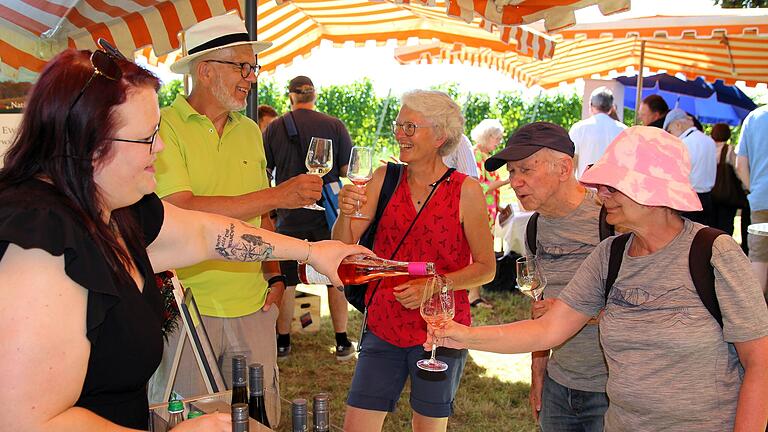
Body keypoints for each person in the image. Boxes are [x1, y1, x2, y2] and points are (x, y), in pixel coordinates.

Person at [0, 47, 366, 432]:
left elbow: (206, 232)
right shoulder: (38, 245)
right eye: (146, 138)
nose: (159, 147)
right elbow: (26, 421)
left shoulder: (118, 209)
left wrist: (311, 252)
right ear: (89, 145)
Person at [429, 126, 768, 431]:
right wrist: (463, 335)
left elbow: (759, 364)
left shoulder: (713, 253)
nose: (600, 194)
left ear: (652, 191)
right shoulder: (610, 255)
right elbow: (547, 328)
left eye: (611, 186)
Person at [153, 14, 322, 425]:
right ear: (206, 69)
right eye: (242, 66)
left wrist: (276, 275)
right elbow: (181, 210)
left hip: (252, 304)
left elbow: (261, 216)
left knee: (259, 418)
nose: (251, 77)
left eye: (254, 67)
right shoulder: (162, 126)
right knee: (193, 421)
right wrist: (281, 194)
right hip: (188, 308)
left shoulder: (249, 130)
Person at [333, 90, 495, 432]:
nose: (400, 134)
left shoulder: (465, 191)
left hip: (441, 331)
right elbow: (342, 244)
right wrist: (345, 213)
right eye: (399, 124)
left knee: (428, 427)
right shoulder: (383, 178)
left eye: (410, 126)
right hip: (384, 325)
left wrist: (435, 285)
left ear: (440, 136)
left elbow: (486, 266)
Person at [484, 122, 608, 431]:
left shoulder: (610, 220)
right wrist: (538, 375)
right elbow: (539, 306)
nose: (515, 182)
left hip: (612, 389)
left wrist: (574, 315)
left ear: (564, 168)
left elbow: (645, 310)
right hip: (558, 385)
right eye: (511, 172)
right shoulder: (534, 228)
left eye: (526, 169)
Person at [263, 75, 355, 361]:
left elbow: (265, 169)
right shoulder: (334, 125)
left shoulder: (275, 127)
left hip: (289, 213)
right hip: (325, 214)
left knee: (288, 278)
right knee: (335, 275)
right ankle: (341, 341)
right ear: (314, 95)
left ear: (291, 96)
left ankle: (283, 342)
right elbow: (344, 169)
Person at [469, 118, 506, 308]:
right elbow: (481, 187)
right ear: (488, 136)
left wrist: (498, 207)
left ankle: (475, 294)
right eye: (497, 139)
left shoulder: (485, 156)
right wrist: (509, 180)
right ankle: (473, 297)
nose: (499, 142)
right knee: (478, 253)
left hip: (488, 212)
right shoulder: (476, 155)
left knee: (483, 253)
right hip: (479, 212)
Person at [664, 108, 716, 225]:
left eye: (670, 132)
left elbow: (676, 175)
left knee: (687, 239)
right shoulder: (709, 141)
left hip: (688, 199)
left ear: (678, 125)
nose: (671, 136)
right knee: (703, 237)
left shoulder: (684, 144)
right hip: (707, 198)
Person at [737, 105, 768, 297]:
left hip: (761, 198)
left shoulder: (754, 117)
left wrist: (753, 189)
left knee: (759, 256)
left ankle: (756, 313)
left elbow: (741, 165)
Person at [569, 86, 627, 179]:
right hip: (612, 190)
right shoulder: (623, 130)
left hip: (585, 188)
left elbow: (572, 164)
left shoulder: (578, 128)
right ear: (611, 108)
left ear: (590, 105)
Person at [710, 123, 750, 237]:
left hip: (710, 193)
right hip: (726, 194)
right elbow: (738, 170)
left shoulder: (707, 147)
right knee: (726, 225)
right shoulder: (729, 150)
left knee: (712, 224)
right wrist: (745, 186)